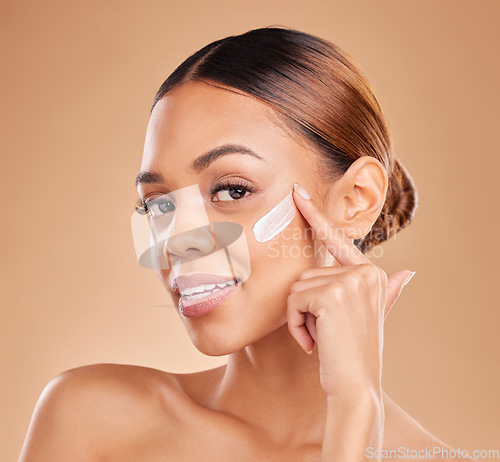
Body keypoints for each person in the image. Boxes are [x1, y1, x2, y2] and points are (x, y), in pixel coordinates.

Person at [18, 26, 476, 461]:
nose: (177, 241)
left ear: (356, 200)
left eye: (232, 190)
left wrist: (356, 409)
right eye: (158, 204)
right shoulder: (91, 421)